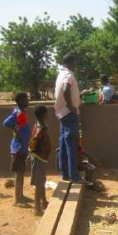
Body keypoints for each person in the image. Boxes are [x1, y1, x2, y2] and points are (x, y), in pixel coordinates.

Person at [54, 53, 82, 184]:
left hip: (62, 113)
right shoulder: (69, 75)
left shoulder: (60, 74)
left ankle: (65, 174)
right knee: (71, 145)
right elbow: (66, 90)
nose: (75, 65)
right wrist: (71, 107)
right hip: (69, 113)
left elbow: (66, 91)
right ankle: (74, 177)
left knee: (64, 145)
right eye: (75, 63)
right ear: (71, 63)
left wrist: (80, 94)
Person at [2, 92, 31, 204]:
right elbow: (5, 122)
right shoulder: (17, 112)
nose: (27, 101)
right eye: (26, 99)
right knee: (19, 174)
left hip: (22, 146)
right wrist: (14, 127)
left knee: (21, 173)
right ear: (20, 101)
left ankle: (21, 196)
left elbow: (23, 128)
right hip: (18, 148)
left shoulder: (21, 113)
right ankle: (18, 199)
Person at [28, 104, 52, 215]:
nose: (48, 114)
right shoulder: (40, 129)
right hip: (38, 158)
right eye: (47, 112)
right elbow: (33, 143)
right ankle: (37, 208)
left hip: (41, 158)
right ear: (43, 115)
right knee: (39, 183)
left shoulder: (41, 125)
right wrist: (31, 153)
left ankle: (44, 202)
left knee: (41, 181)